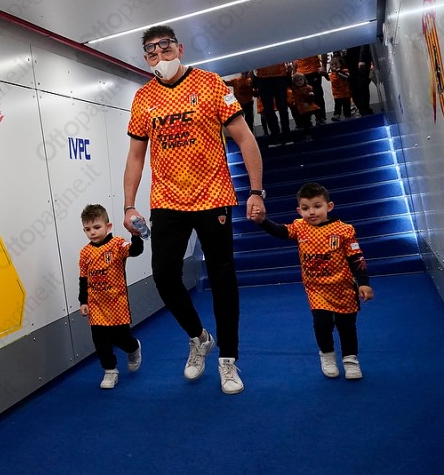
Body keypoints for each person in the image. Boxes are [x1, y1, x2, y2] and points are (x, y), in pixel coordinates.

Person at [122, 24, 267, 395]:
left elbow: (244, 138)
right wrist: (128, 205)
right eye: (151, 53)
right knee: (164, 276)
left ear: (180, 48)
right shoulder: (143, 98)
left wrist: (256, 191)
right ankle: (199, 337)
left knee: (223, 279)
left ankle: (228, 360)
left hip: (213, 196)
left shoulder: (210, 83)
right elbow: (136, 156)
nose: (160, 57)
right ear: (146, 58)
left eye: (165, 48)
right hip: (167, 200)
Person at [253, 183, 373, 379]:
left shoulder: (344, 230)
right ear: (299, 210)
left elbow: (356, 257)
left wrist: (364, 282)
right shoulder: (300, 227)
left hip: (343, 289)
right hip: (316, 290)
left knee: (347, 326)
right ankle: (327, 355)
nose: (312, 212)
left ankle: (350, 359)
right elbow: (281, 231)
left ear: (329, 206)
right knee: (322, 324)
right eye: (305, 208)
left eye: (317, 206)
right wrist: (262, 221)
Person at [78, 204, 144, 389]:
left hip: (117, 303)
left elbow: (135, 251)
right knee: (100, 340)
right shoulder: (85, 253)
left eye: (96, 227)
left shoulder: (117, 244)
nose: (92, 232)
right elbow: (83, 278)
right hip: (96, 305)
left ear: (108, 226)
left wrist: (136, 235)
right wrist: (83, 301)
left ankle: (133, 348)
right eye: (87, 229)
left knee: (121, 338)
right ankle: (110, 370)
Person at [254, 62, 292, 146]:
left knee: (282, 108)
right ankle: (275, 136)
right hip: (263, 78)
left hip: (279, 76)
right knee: (268, 110)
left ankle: (286, 135)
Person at [292, 55, 328, 125]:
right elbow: (294, 56)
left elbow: (323, 52)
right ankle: (307, 120)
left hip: (314, 70)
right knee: (303, 98)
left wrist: (324, 66)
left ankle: (320, 118)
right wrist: (294, 71)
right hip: (301, 73)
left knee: (318, 95)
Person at [344, 45, 375, 116]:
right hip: (350, 59)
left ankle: (365, 110)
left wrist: (362, 59)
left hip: (359, 58)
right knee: (354, 87)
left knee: (362, 85)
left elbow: (364, 44)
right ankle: (362, 110)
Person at [290, 71, 322, 141]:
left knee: (319, 110)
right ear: (294, 82)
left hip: (310, 105)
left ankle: (319, 119)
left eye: (301, 80)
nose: (299, 82)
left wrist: (307, 102)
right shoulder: (294, 90)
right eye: (297, 81)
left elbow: (312, 96)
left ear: (304, 80)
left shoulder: (309, 87)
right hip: (302, 108)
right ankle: (308, 134)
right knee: (306, 121)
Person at [328, 56, 352, 121]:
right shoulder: (331, 75)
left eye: (336, 64)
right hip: (337, 94)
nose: (334, 66)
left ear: (340, 64)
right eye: (332, 64)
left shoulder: (344, 71)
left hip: (346, 93)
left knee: (346, 105)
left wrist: (339, 72)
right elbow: (328, 79)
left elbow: (347, 78)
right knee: (337, 105)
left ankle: (347, 115)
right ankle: (337, 115)